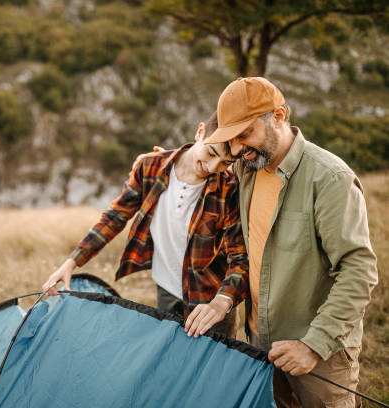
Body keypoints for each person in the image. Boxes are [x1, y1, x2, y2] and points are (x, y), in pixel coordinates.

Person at [203, 77, 378, 407]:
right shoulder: (247, 169)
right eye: (232, 139)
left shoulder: (329, 178)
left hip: (318, 353)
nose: (237, 148)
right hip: (259, 344)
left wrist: (313, 345)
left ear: (279, 116)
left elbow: (359, 271)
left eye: (244, 134)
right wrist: (156, 162)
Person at [43, 112, 249, 338]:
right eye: (211, 153)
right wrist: (73, 261)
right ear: (200, 132)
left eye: (225, 163)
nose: (212, 167)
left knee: (212, 370)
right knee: (169, 362)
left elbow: (239, 259)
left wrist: (222, 302)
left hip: (210, 301)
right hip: (166, 290)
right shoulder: (150, 167)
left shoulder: (228, 189)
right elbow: (116, 216)